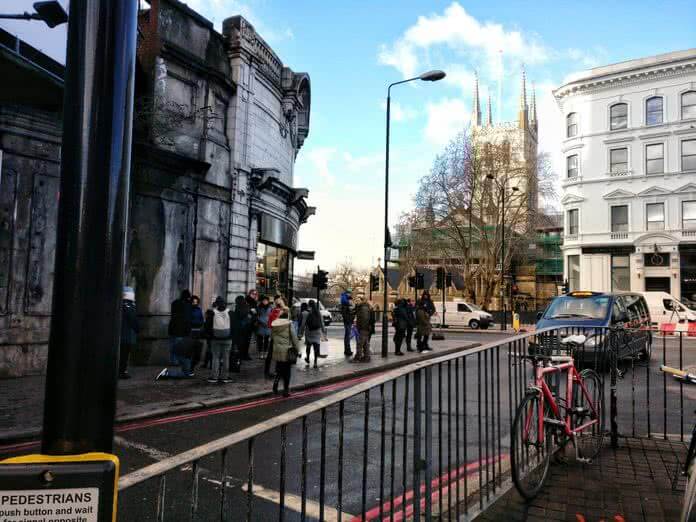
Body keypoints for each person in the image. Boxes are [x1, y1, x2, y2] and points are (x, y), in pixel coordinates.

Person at [271, 308, 300, 397]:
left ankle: (275, 384)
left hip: (277, 350)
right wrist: (297, 349)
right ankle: (286, 391)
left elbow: (272, 337)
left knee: (279, 368)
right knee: (287, 372)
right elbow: (294, 338)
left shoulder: (275, 324)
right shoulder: (289, 324)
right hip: (286, 351)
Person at [204, 296, 232, 383]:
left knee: (215, 357)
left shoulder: (212, 313)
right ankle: (225, 377)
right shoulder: (230, 313)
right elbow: (235, 326)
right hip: (227, 338)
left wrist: (210, 336)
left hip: (215, 338)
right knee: (226, 357)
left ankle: (214, 377)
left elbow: (207, 326)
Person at [299, 300, 327, 368]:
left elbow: (303, 324)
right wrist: (323, 332)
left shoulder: (306, 313)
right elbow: (322, 323)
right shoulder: (318, 312)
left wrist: (301, 333)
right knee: (316, 347)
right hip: (317, 331)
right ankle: (315, 362)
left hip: (309, 332)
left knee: (308, 346)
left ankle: (308, 358)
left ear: (309, 305)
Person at [119, 286, 139, 379]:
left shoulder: (122, 304)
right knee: (124, 354)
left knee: (122, 354)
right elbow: (133, 320)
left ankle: (121, 370)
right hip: (126, 335)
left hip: (122, 334)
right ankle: (122, 371)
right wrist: (137, 329)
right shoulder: (128, 306)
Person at [168, 289, 192, 363]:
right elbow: (188, 319)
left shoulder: (175, 303)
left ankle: (173, 360)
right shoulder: (187, 305)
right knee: (179, 346)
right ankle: (177, 361)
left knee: (173, 345)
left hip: (173, 327)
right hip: (181, 329)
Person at [265, 296, 286, 378]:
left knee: (271, 354)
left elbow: (270, 324)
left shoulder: (273, 312)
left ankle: (268, 371)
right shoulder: (279, 312)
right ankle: (276, 371)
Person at [229, 295, 249, 373]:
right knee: (239, 350)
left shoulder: (235, 308)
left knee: (234, 349)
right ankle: (237, 365)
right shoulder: (246, 308)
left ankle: (233, 366)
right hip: (243, 332)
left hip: (235, 331)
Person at [240, 289, 258, 361]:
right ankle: (242, 354)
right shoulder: (246, 301)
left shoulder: (254, 302)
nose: (254, 295)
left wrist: (255, 312)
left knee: (248, 340)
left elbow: (256, 312)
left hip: (251, 323)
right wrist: (251, 311)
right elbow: (245, 311)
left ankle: (245, 354)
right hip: (245, 323)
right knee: (244, 340)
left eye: (255, 294)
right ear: (249, 294)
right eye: (253, 294)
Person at [354, 296, 373, 362]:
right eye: (355, 301)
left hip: (363, 328)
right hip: (365, 328)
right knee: (365, 344)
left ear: (362, 301)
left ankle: (357, 358)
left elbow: (365, 319)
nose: (356, 302)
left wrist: (362, 328)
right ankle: (366, 357)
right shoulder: (362, 307)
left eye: (358, 301)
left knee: (360, 343)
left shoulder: (363, 308)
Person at [257, 295, 272, 370]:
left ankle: (265, 353)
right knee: (260, 340)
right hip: (261, 325)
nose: (265, 301)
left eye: (266, 300)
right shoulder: (259, 307)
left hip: (268, 325)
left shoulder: (270, 307)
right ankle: (260, 352)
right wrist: (260, 321)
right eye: (264, 300)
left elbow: (272, 316)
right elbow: (257, 316)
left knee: (266, 340)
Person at [340, 288, 354, 356]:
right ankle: (347, 350)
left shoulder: (346, 302)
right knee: (347, 335)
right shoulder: (346, 304)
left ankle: (347, 350)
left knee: (347, 335)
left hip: (348, 320)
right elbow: (347, 314)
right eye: (350, 293)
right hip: (348, 321)